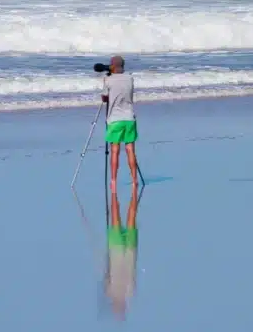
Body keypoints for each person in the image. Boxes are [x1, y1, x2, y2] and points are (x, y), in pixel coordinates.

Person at [103, 56, 139, 190]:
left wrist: (106, 81)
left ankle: (113, 181)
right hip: (129, 117)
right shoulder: (130, 78)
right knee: (130, 150)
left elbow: (104, 98)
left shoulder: (108, 80)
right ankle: (134, 179)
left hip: (114, 119)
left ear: (112, 66)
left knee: (114, 150)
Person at [105, 187, 139, 321]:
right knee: (128, 215)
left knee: (117, 213)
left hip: (118, 250)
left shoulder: (126, 292)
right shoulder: (129, 292)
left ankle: (116, 187)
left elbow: (106, 274)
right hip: (125, 251)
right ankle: (132, 186)